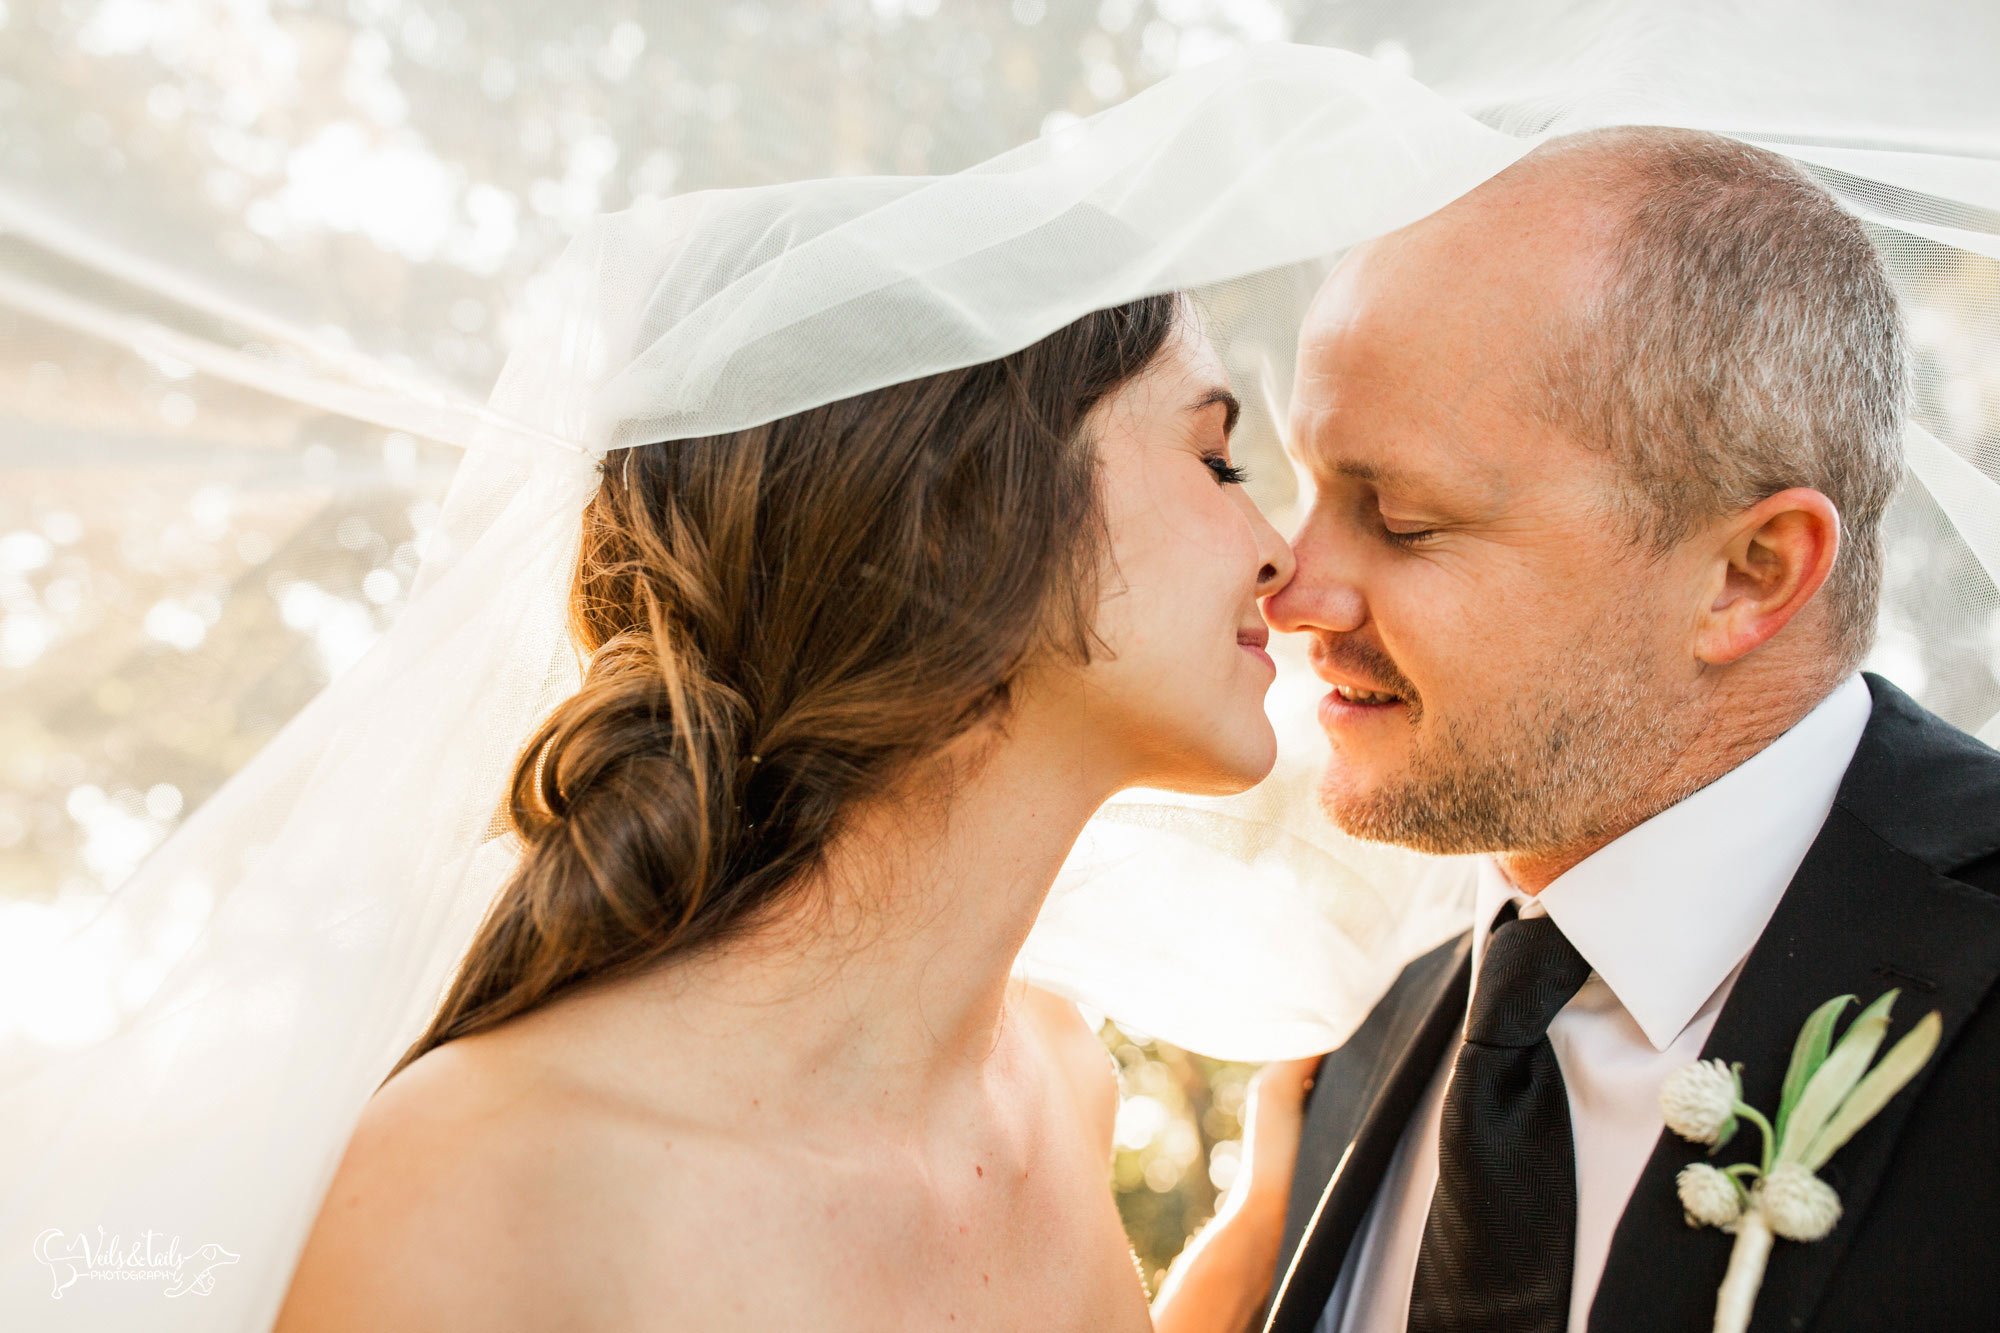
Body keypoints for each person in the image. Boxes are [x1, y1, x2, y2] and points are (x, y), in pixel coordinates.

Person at [273, 293, 1314, 1332]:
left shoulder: (1055, 1084)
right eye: (1216, 464)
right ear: (970, 512)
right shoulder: (484, 1183)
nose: (1278, 556)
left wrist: (1263, 1224)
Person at [1260, 125, 2000, 1333]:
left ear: (1748, 574)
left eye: (1398, 518)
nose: (1290, 592)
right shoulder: (1353, 1046)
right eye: (1305, 486)